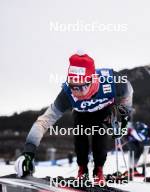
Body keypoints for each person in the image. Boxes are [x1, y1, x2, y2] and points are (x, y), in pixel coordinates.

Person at [15, 51, 133, 184]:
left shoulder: (112, 81)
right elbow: (43, 121)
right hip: (81, 113)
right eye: (73, 86)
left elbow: (128, 93)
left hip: (102, 111)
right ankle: (82, 169)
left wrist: (124, 118)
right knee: (80, 137)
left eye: (81, 87)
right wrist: (28, 153)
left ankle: (98, 170)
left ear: (92, 80)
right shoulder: (66, 94)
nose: (77, 93)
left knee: (99, 138)